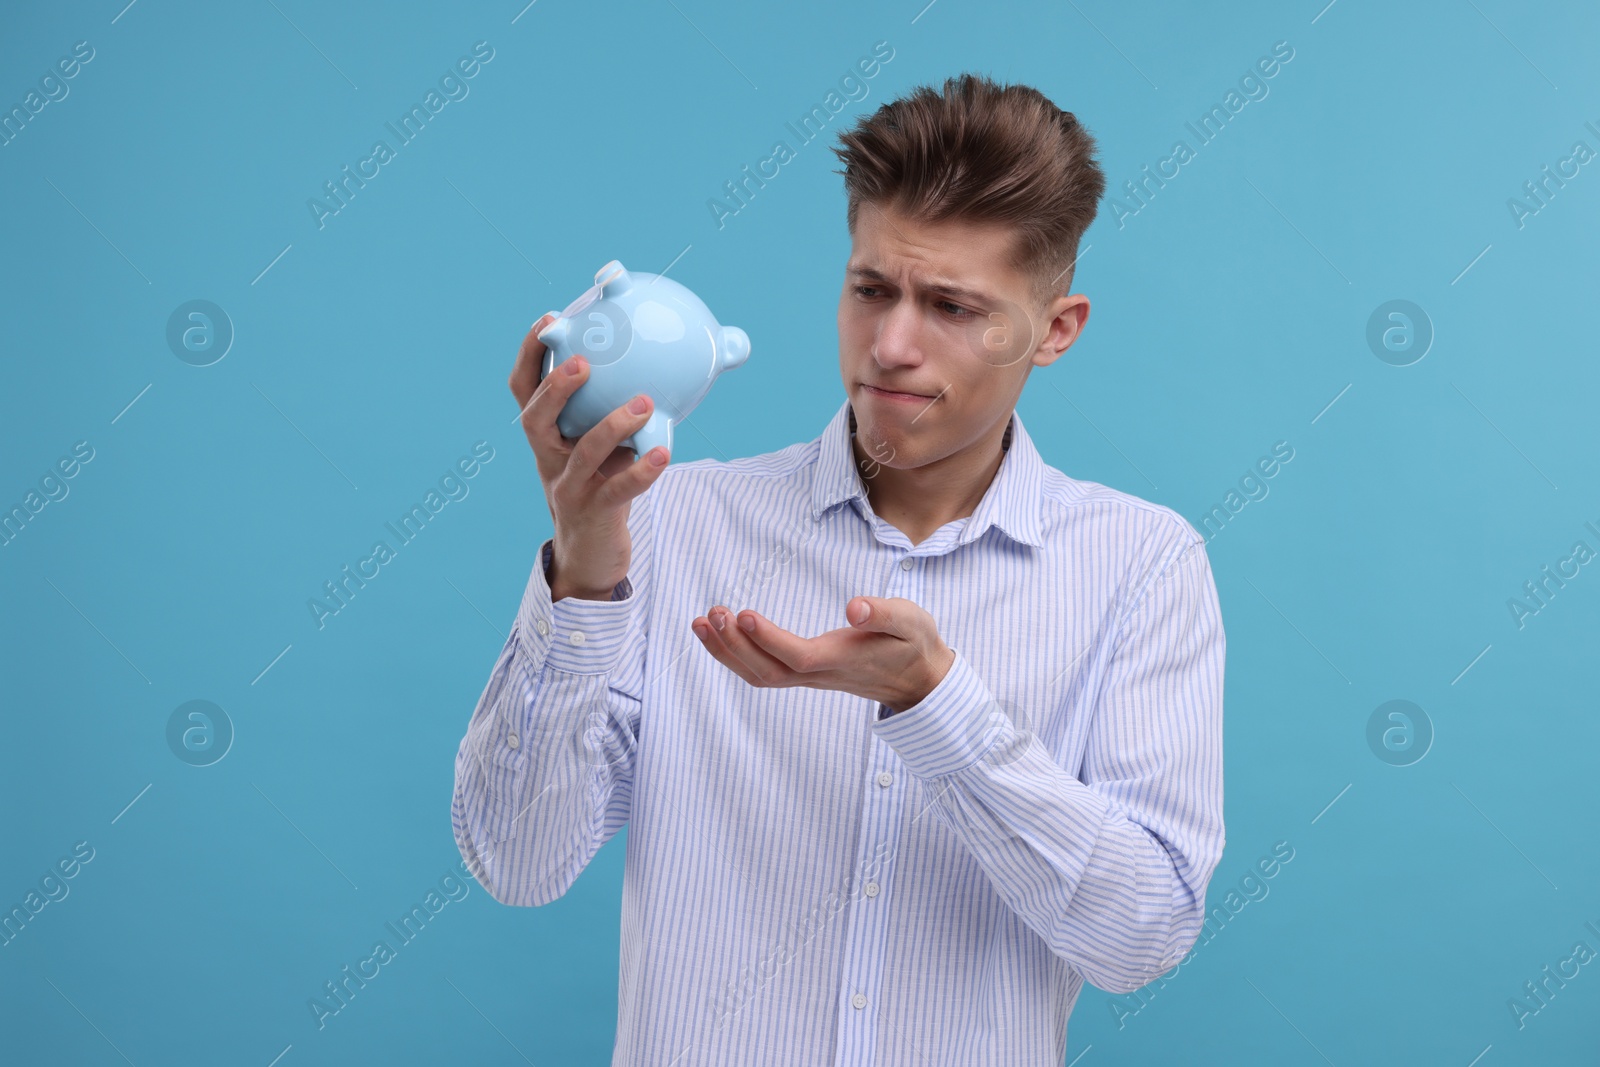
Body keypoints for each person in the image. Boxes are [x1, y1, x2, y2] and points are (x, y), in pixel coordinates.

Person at [452, 72, 1225, 1065]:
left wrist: (935, 706)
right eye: (871, 290)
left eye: (950, 305)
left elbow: (1142, 935)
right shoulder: (673, 522)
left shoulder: (1141, 566)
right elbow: (516, 859)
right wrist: (587, 559)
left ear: (1056, 328)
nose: (891, 345)